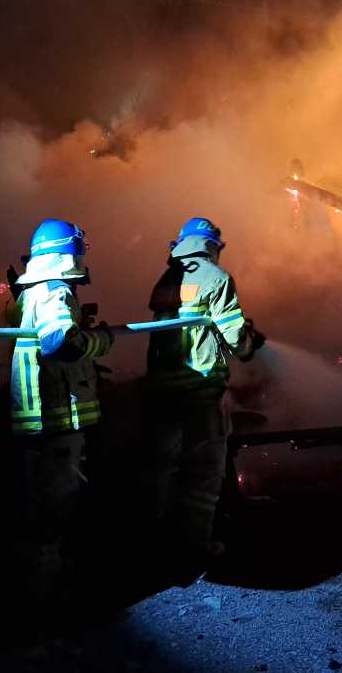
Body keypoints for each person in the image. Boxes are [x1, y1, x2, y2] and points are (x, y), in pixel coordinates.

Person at [145, 217, 264, 582]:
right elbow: (233, 335)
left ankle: (153, 549)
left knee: (162, 471)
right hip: (199, 393)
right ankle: (192, 554)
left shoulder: (168, 278)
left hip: (162, 392)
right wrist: (250, 344)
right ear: (212, 246)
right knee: (202, 476)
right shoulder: (216, 278)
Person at [8, 219, 114, 592]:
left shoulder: (30, 291)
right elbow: (60, 342)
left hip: (37, 414)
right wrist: (100, 340)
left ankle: (38, 583)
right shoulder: (56, 290)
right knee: (58, 503)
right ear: (67, 253)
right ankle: (51, 590)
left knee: (39, 502)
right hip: (58, 415)